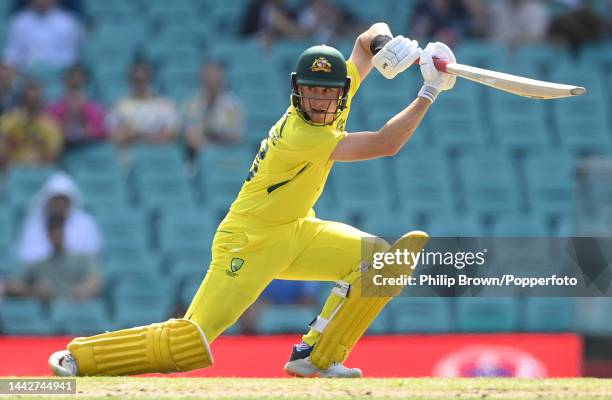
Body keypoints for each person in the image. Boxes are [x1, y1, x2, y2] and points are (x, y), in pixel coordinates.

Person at [48, 22, 455, 378]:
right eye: (310, 92)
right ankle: (80, 357)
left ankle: (316, 355)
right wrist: (428, 91)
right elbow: (386, 143)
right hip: (249, 241)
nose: (318, 101)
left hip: (295, 231)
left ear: (342, 92)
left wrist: (387, 44)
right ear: (297, 92)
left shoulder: (336, 99)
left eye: (326, 93)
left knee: (378, 260)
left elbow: (366, 39)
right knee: (190, 340)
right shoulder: (304, 134)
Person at [6, 214, 102, 301]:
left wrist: (77, 294)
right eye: (52, 231)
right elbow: (13, 286)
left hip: (79, 311)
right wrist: (34, 291)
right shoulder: (39, 264)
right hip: (47, 315)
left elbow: (95, 281)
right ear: (47, 235)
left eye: (59, 230)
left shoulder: (82, 259)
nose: (56, 235)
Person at [16, 172, 101, 265]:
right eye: (56, 200)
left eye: (63, 200)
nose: (60, 205)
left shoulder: (86, 223)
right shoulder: (34, 224)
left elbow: (91, 256)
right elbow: (27, 257)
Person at [107, 60, 179, 147]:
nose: (140, 81)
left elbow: (169, 136)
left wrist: (136, 136)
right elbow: (115, 136)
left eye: (143, 78)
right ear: (129, 80)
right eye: (136, 79)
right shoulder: (119, 106)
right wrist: (153, 135)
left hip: (159, 154)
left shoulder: (165, 105)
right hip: (129, 157)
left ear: (150, 79)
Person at [181, 62, 244, 158]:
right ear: (202, 80)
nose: (212, 83)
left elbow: (236, 135)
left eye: (216, 79)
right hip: (198, 155)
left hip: (227, 154)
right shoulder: (191, 104)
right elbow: (189, 135)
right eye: (209, 79)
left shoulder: (233, 106)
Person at [0, 79, 63, 169]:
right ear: (21, 99)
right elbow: (2, 155)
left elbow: (53, 157)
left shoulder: (51, 124)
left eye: (36, 99)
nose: (32, 101)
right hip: (12, 170)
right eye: (29, 98)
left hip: (40, 171)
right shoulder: (6, 121)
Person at [3, 0, 82, 70]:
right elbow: (11, 53)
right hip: (25, 74)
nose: (42, 1)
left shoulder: (67, 22)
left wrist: (48, 67)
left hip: (59, 74)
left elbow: (71, 55)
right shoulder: (19, 21)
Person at [46, 64, 106, 150]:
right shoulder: (54, 109)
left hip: (87, 149)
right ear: (65, 81)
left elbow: (99, 132)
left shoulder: (95, 110)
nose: (75, 80)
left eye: (79, 77)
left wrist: (83, 118)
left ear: (84, 81)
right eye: (72, 77)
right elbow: (50, 132)